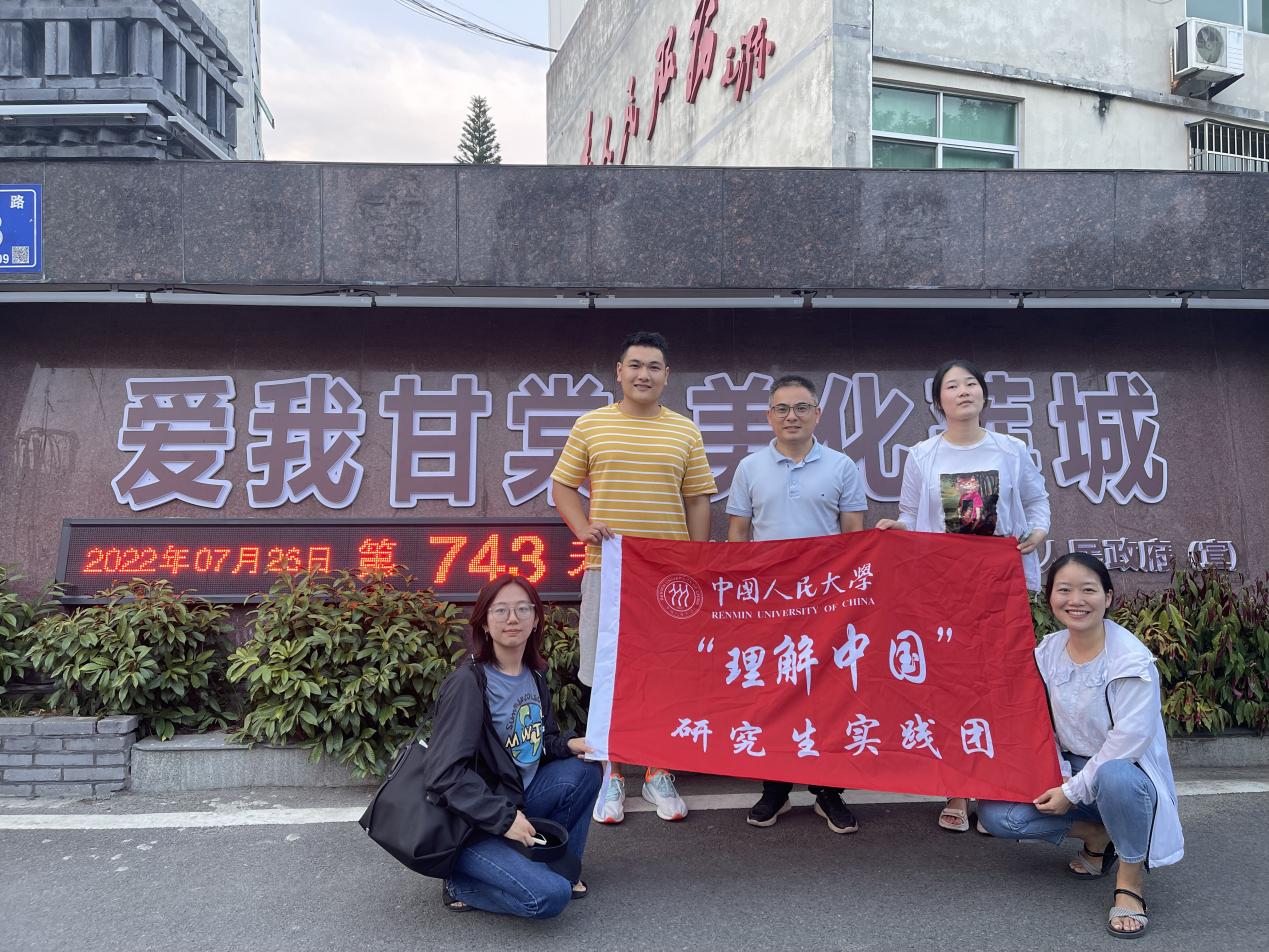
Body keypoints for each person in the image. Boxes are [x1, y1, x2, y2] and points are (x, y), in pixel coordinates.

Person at [875, 358, 1050, 832]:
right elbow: (911, 512)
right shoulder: (923, 454)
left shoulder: (1011, 449)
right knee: (951, 685)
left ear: (984, 395)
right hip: (944, 587)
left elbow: (1037, 501)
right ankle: (956, 785)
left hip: (1000, 585)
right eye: (952, 386)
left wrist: (1038, 532)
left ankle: (997, 783)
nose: (963, 391)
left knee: (1000, 682)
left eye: (971, 383)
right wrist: (897, 529)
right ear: (938, 401)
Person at [551, 330, 718, 824]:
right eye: (636, 365)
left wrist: (695, 560)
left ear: (667, 376)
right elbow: (562, 486)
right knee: (607, 674)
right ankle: (611, 772)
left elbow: (698, 499)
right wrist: (582, 528)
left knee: (665, 674)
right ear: (619, 372)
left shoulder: (684, 431)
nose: (644, 374)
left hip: (668, 579)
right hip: (608, 570)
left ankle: (658, 770)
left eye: (654, 367)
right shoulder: (591, 425)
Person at [977, 553, 1183, 939]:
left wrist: (1071, 792)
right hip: (1067, 767)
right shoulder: (1048, 651)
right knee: (997, 814)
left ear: (1108, 597)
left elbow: (1129, 741)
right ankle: (1096, 834)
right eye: (1064, 590)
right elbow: (1034, 719)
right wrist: (1055, 773)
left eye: (1088, 590)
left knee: (1115, 775)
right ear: (1050, 598)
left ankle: (1130, 882)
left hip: (1126, 778)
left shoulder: (1131, 661)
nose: (1076, 600)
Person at [727, 374, 868, 835]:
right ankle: (775, 787)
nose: (792, 416)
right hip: (768, 603)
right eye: (782, 409)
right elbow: (738, 536)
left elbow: (854, 537)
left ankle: (828, 790)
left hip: (827, 602)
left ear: (817, 414)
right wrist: (742, 598)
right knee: (772, 693)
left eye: (801, 407)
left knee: (828, 695)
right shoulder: (750, 467)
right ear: (769, 416)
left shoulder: (841, 466)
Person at [426, 575, 602, 918]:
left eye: (523, 609)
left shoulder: (534, 675)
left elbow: (538, 742)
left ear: (535, 619)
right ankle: (460, 883)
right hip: (473, 824)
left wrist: (568, 744)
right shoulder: (469, 684)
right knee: (549, 897)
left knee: (585, 770)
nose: (512, 618)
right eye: (501, 610)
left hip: (518, 799)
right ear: (484, 622)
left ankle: (553, 862)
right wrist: (504, 819)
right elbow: (443, 774)